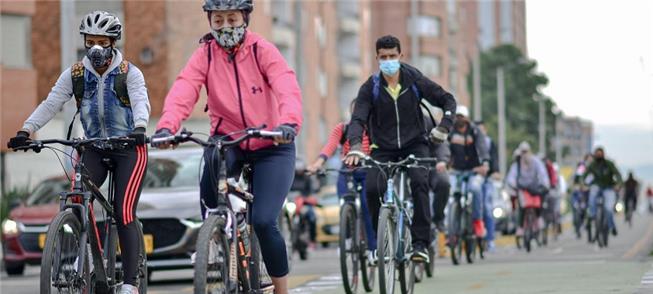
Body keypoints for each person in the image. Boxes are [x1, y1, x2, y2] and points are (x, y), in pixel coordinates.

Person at [151, 1, 302, 292]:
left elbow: (286, 85)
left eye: (231, 19)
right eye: (218, 20)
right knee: (209, 184)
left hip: (273, 142)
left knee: (264, 220)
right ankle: (216, 234)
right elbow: (185, 88)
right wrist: (167, 126)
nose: (225, 27)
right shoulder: (205, 55)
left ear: (244, 18)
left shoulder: (262, 50)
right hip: (229, 139)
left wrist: (289, 123)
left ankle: (281, 288)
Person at [7, 11, 150, 294]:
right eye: (90, 41)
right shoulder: (74, 75)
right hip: (93, 147)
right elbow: (51, 103)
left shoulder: (129, 73)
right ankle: (82, 261)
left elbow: (141, 101)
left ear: (113, 42)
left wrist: (141, 127)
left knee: (123, 212)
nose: (96, 48)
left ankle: (130, 283)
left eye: (102, 42)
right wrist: (26, 130)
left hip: (129, 149)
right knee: (76, 199)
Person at [344, 35, 457, 263]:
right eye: (383, 57)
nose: (388, 61)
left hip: (415, 144)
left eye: (392, 56)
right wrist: (356, 146)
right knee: (372, 189)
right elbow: (358, 119)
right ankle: (382, 238)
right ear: (377, 58)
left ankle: (420, 244)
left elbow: (447, 100)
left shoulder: (415, 80)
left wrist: (444, 127)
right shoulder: (371, 88)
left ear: (400, 56)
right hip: (383, 148)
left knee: (419, 183)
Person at [306, 99, 377, 262]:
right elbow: (329, 147)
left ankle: (374, 249)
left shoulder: (374, 129)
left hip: (368, 171)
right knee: (344, 203)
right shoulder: (343, 129)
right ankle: (347, 239)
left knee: (368, 207)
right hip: (347, 171)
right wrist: (317, 164)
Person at [447, 106, 490, 239]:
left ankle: (477, 221)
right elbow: (444, 148)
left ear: (467, 118)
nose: (459, 119)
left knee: (475, 189)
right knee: (451, 196)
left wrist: (484, 163)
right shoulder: (450, 132)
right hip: (455, 171)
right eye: (457, 116)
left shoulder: (475, 131)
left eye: (462, 116)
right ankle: (451, 230)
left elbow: (482, 147)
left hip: (474, 170)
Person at [505, 142, 550, 237]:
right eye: (523, 152)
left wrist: (545, 184)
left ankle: (538, 219)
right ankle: (520, 228)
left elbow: (542, 174)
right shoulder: (517, 164)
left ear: (530, 151)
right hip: (522, 188)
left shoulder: (536, 162)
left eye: (526, 151)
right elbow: (511, 177)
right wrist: (513, 186)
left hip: (534, 188)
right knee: (522, 207)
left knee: (539, 203)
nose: (525, 154)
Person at [582, 147, 622, 237]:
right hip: (597, 186)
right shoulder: (592, 165)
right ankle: (592, 216)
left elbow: (618, 175)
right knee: (592, 196)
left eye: (600, 154)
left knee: (608, 208)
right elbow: (583, 176)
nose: (599, 156)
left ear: (603, 154)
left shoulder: (609, 164)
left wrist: (618, 184)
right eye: (597, 154)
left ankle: (612, 227)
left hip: (608, 188)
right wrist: (582, 184)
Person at [476, 120, 499, 251]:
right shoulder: (469, 140)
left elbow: (494, 159)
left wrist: (495, 171)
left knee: (487, 208)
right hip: (472, 177)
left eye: (481, 130)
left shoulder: (490, 143)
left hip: (486, 180)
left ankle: (490, 240)